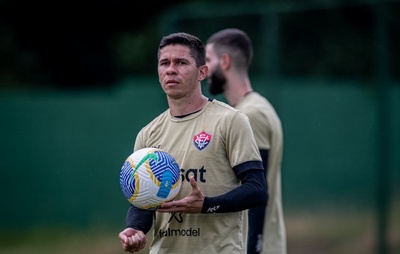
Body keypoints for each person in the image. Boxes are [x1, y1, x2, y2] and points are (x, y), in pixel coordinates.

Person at [118, 32, 268, 254]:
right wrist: (135, 229)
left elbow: (256, 189)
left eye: (181, 62)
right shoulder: (148, 134)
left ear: (202, 72)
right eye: (164, 63)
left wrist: (206, 205)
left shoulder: (230, 120)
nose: (171, 69)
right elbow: (142, 202)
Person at [205, 28, 287, 254]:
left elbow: (257, 192)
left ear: (225, 61)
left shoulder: (250, 114)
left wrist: (254, 248)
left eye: (208, 60)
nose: (205, 70)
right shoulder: (257, 106)